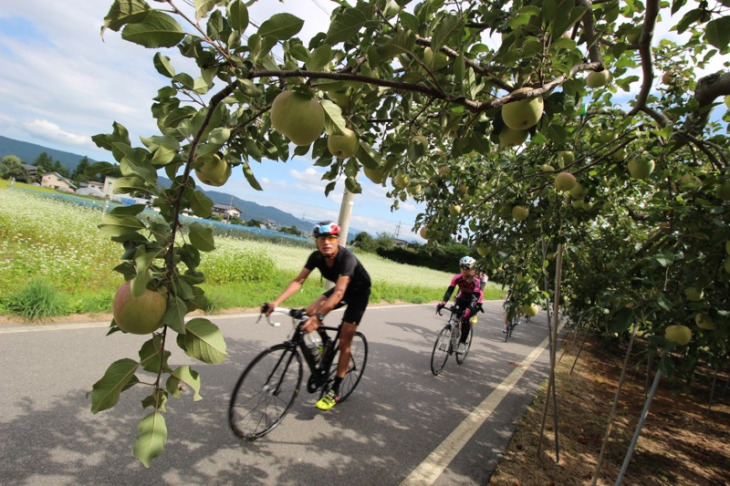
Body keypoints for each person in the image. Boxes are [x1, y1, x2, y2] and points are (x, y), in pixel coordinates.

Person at [263, 221, 371, 411]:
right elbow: (299, 281)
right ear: (317, 242)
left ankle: (335, 390)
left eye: (331, 238)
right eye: (322, 238)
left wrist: (319, 318)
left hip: (358, 293)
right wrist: (275, 302)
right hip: (340, 290)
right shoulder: (316, 257)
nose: (326, 242)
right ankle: (327, 342)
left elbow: (338, 293)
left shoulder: (347, 260)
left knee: (345, 339)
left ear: (337, 240)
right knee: (310, 311)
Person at [436, 256, 483, 352]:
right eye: (462, 267)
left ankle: (462, 343)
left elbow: (475, 297)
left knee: (466, 320)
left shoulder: (476, 281)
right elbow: (450, 290)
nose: (465, 270)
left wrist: (469, 309)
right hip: (462, 298)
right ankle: (454, 336)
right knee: (456, 317)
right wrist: (443, 302)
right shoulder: (457, 278)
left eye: (468, 268)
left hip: (475, 301)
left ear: (473, 269)